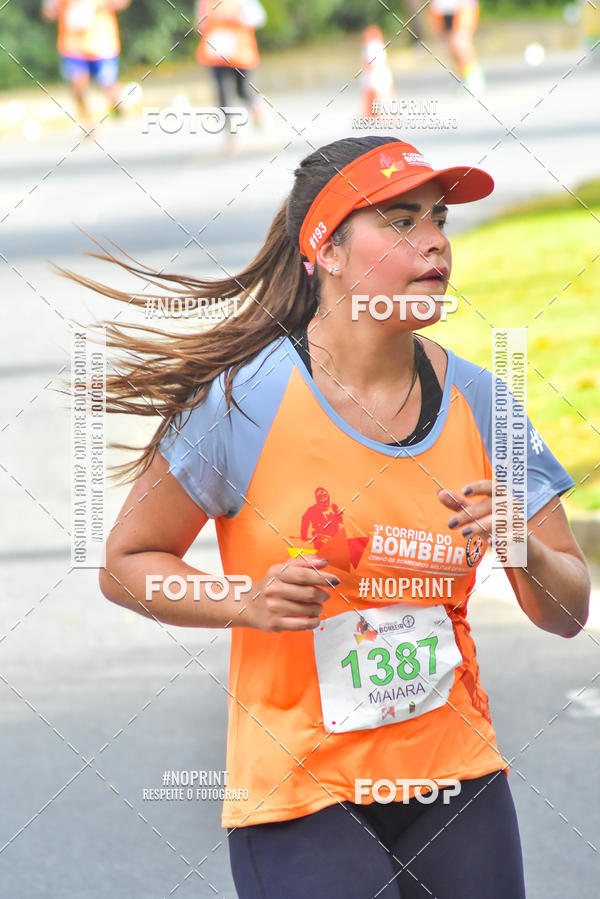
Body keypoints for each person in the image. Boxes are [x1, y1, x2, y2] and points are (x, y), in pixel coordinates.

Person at [64, 135, 591, 896]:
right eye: (402, 220)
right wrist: (240, 599)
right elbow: (125, 562)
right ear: (329, 251)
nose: (437, 240)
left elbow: (567, 610)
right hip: (300, 791)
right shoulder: (242, 402)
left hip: (455, 777)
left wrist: (526, 551)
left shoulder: (484, 403)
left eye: (438, 218)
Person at [42, 0, 131, 138]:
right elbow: (49, 11)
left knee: (108, 86)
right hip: (72, 45)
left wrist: (94, 7)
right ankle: (89, 124)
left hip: (102, 43)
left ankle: (118, 104)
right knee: (78, 86)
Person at [195, 0, 267, 151]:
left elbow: (259, 17)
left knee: (244, 90)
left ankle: (257, 108)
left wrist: (237, 16)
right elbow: (200, 23)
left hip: (241, 54)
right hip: (217, 55)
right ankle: (231, 137)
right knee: (223, 94)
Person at [427, 0, 485, 93]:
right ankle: (464, 77)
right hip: (439, 8)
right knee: (448, 46)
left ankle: (474, 77)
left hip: (462, 5)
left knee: (459, 41)